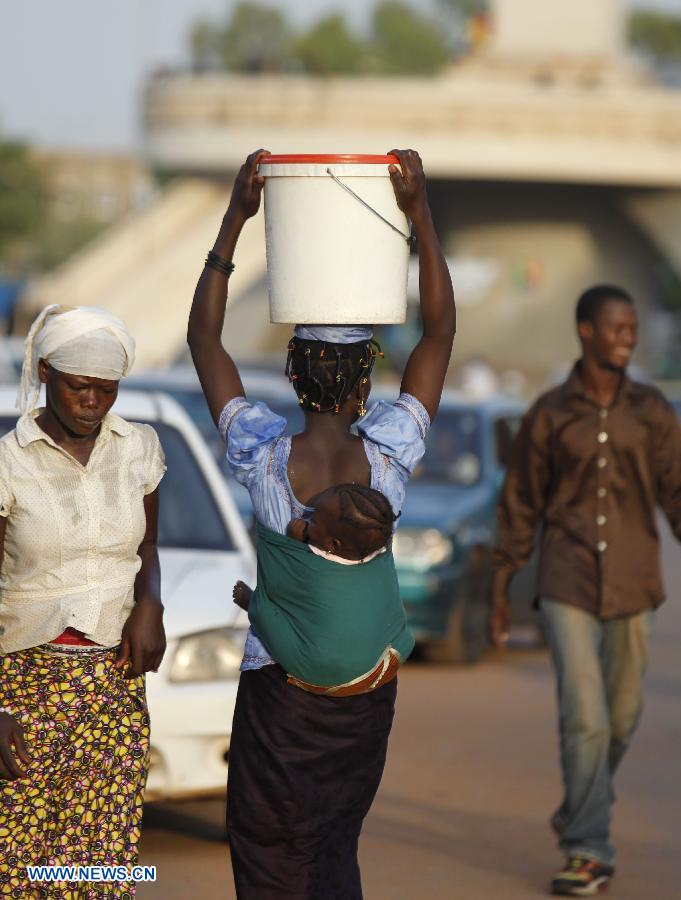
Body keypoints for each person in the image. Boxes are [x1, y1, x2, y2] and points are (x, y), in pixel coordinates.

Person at [188, 148, 455, 899]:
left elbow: (205, 342)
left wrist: (237, 219)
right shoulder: (392, 456)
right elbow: (438, 336)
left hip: (280, 695)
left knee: (269, 845)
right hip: (363, 700)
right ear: (367, 381)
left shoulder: (260, 454)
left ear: (295, 376)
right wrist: (420, 216)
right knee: (335, 844)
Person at [489, 285, 681, 897]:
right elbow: (519, 503)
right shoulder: (548, 413)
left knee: (621, 719)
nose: (629, 337)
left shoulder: (651, 410)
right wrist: (501, 584)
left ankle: (578, 806)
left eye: (634, 328)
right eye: (618, 327)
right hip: (565, 579)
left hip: (635, 581)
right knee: (585, 718)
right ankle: (588, 848)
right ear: (586, 330)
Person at [0, 305, 166, 898]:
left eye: (106, 388)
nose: (93, 401)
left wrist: (152, 606)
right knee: (20, 860)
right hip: (22, 685)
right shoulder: (8, 461)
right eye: (78, 386)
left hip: (112, 685)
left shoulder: (138, 448)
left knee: (101, 857)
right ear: (46, 373)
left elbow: (149, 545)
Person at [232, 483, 413, 696]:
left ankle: (250, 603)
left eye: (314, 521)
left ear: (332, 545)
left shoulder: (313, 568)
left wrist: (294, 540)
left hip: (322, 669)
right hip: (386, 660)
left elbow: (285, 587)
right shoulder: (377, 557)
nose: (307, 522)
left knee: (265, 610)